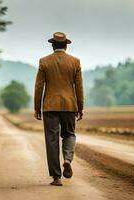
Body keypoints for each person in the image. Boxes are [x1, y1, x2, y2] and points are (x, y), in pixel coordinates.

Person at [34, 32, 84, 186]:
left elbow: (39, 86)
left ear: (52, 45)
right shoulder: (75, 62)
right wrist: (80, 107)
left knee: (52, 140)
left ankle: (56, 177)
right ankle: (67, 159)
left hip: (50, 106)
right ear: (66, 45)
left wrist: (37, 107)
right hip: (69, 106)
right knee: (69, 134)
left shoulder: (44, 62)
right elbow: (79, 87)